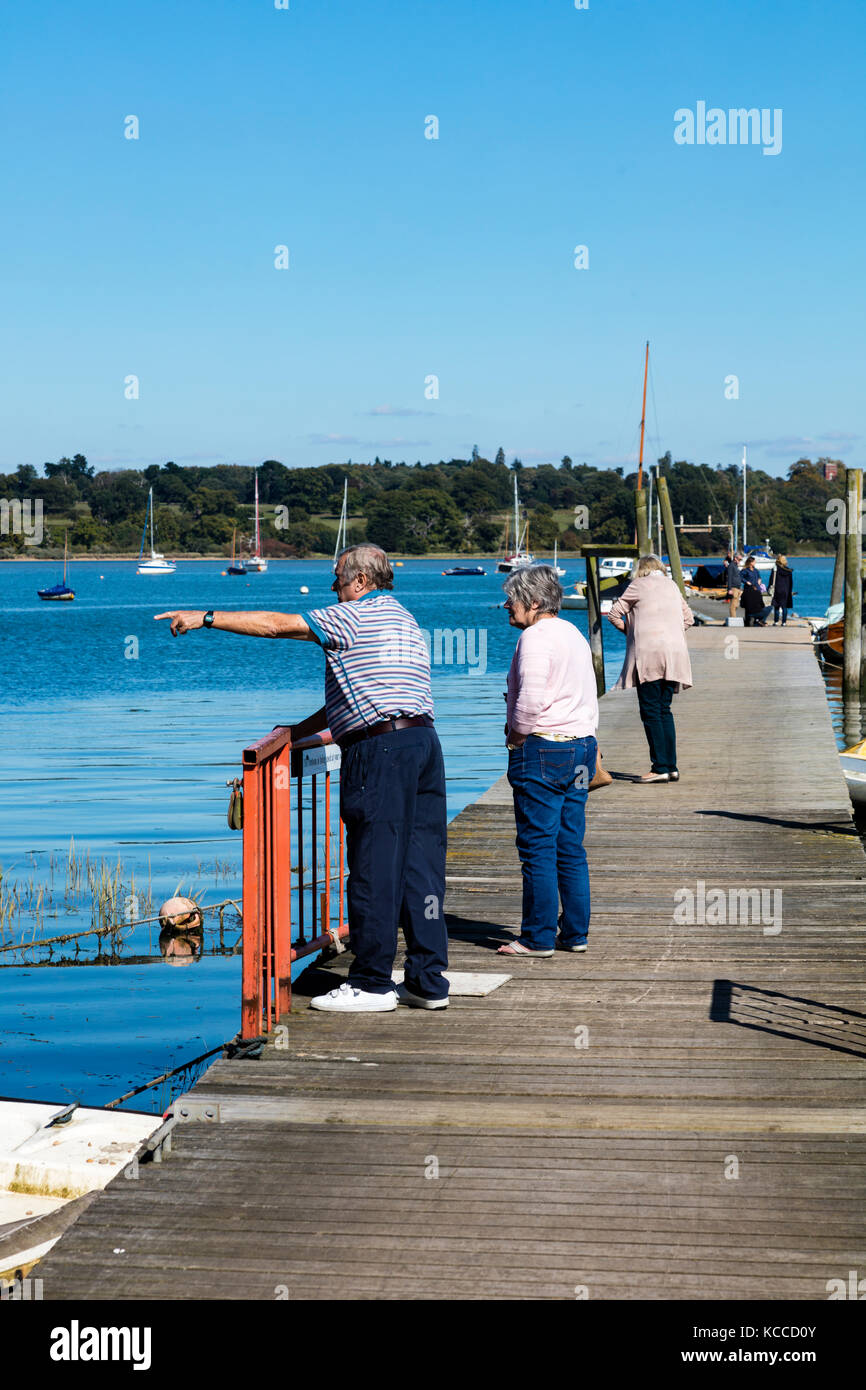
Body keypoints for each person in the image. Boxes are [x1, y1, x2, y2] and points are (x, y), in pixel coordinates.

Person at [155, 543, 448, 1013]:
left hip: (381, 752)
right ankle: (428, 982)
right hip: (423, 744)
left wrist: (204, 616)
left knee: (373, 866)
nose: (332, 589)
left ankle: (372, 983)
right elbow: (362, 697)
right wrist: (298, 732)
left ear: (358, 581)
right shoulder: (403, 619)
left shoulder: (351, 615)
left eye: (335, 580)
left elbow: (276, 626)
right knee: (420, 865)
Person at [497, 565, 598, 959]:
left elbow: (531, 700)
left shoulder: (536, 638)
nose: (507, 605)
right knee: (569, 844)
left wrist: (516, 735)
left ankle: (537, 937)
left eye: (513, 598)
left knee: (537, 846)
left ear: (534, 603)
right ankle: (574, 933)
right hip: (581, 748)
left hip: (543, 749)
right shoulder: (572, 634)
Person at [606, 553, 694, 784]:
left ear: (641, 569)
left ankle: (659, 768)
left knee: (651, 711)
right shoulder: (672, 586)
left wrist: (632, 633)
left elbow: (614, 614)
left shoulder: (637, 585)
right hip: (674, 655)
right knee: (664, 710)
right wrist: (670, 633)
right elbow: (689, 619)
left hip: (649, 655)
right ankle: (671, 766)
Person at [739, 554, 766, 626]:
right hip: (749, 589)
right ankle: (747, 621)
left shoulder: (756, 570)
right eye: (754, 562)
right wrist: (746, 581)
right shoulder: (745, 570)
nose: (755, 563)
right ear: (751, 562)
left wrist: (759, 580)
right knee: (748, 605)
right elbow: (740, 577)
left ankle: (757, 620)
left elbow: (759, 577)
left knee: (757, 605)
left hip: (756, 589)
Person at [768, 555, 794, 625]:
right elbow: (791, 582)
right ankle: (784, 622)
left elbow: (771, 580)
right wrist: (790, 590)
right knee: (784, 606)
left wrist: (769, 588)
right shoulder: (788, 571)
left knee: (776, 606)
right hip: (785, 590)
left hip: (777, 589)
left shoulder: (775, 569)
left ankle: (776, 621)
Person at [724, 550, 742, 618]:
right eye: (739, 559)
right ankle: (733, 619)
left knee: (736, 605)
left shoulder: (736, 566)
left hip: (738, 587)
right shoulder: (731, 566)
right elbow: (730, 578)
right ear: (735, 558)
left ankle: (734, 618)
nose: (740, 561)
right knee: (733, 605)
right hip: (733, 588)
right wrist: (729, 589)